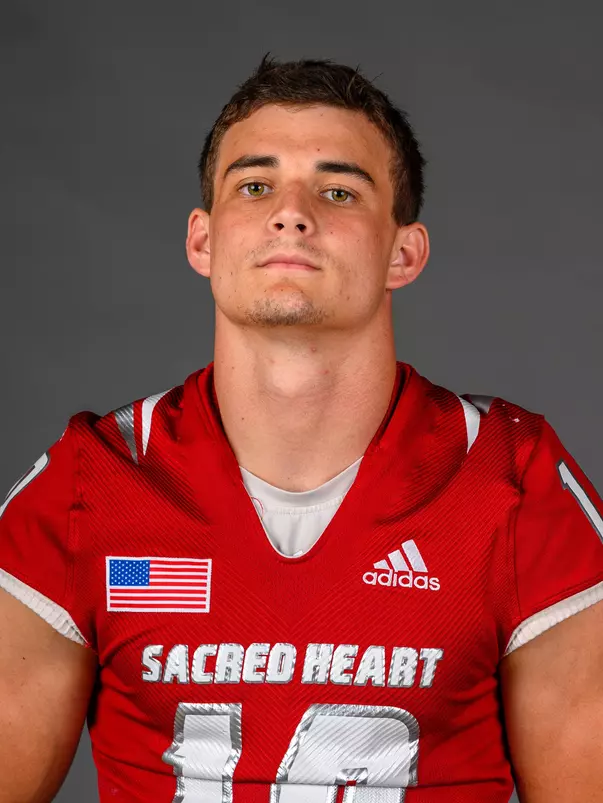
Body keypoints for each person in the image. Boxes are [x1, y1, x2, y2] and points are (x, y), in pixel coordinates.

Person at [1, 54, 602, 803]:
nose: (292, 212)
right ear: (202, 241)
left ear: (402, 252)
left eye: (337, 189)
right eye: (255, 186)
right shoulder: (91, 481)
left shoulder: (512, 479)